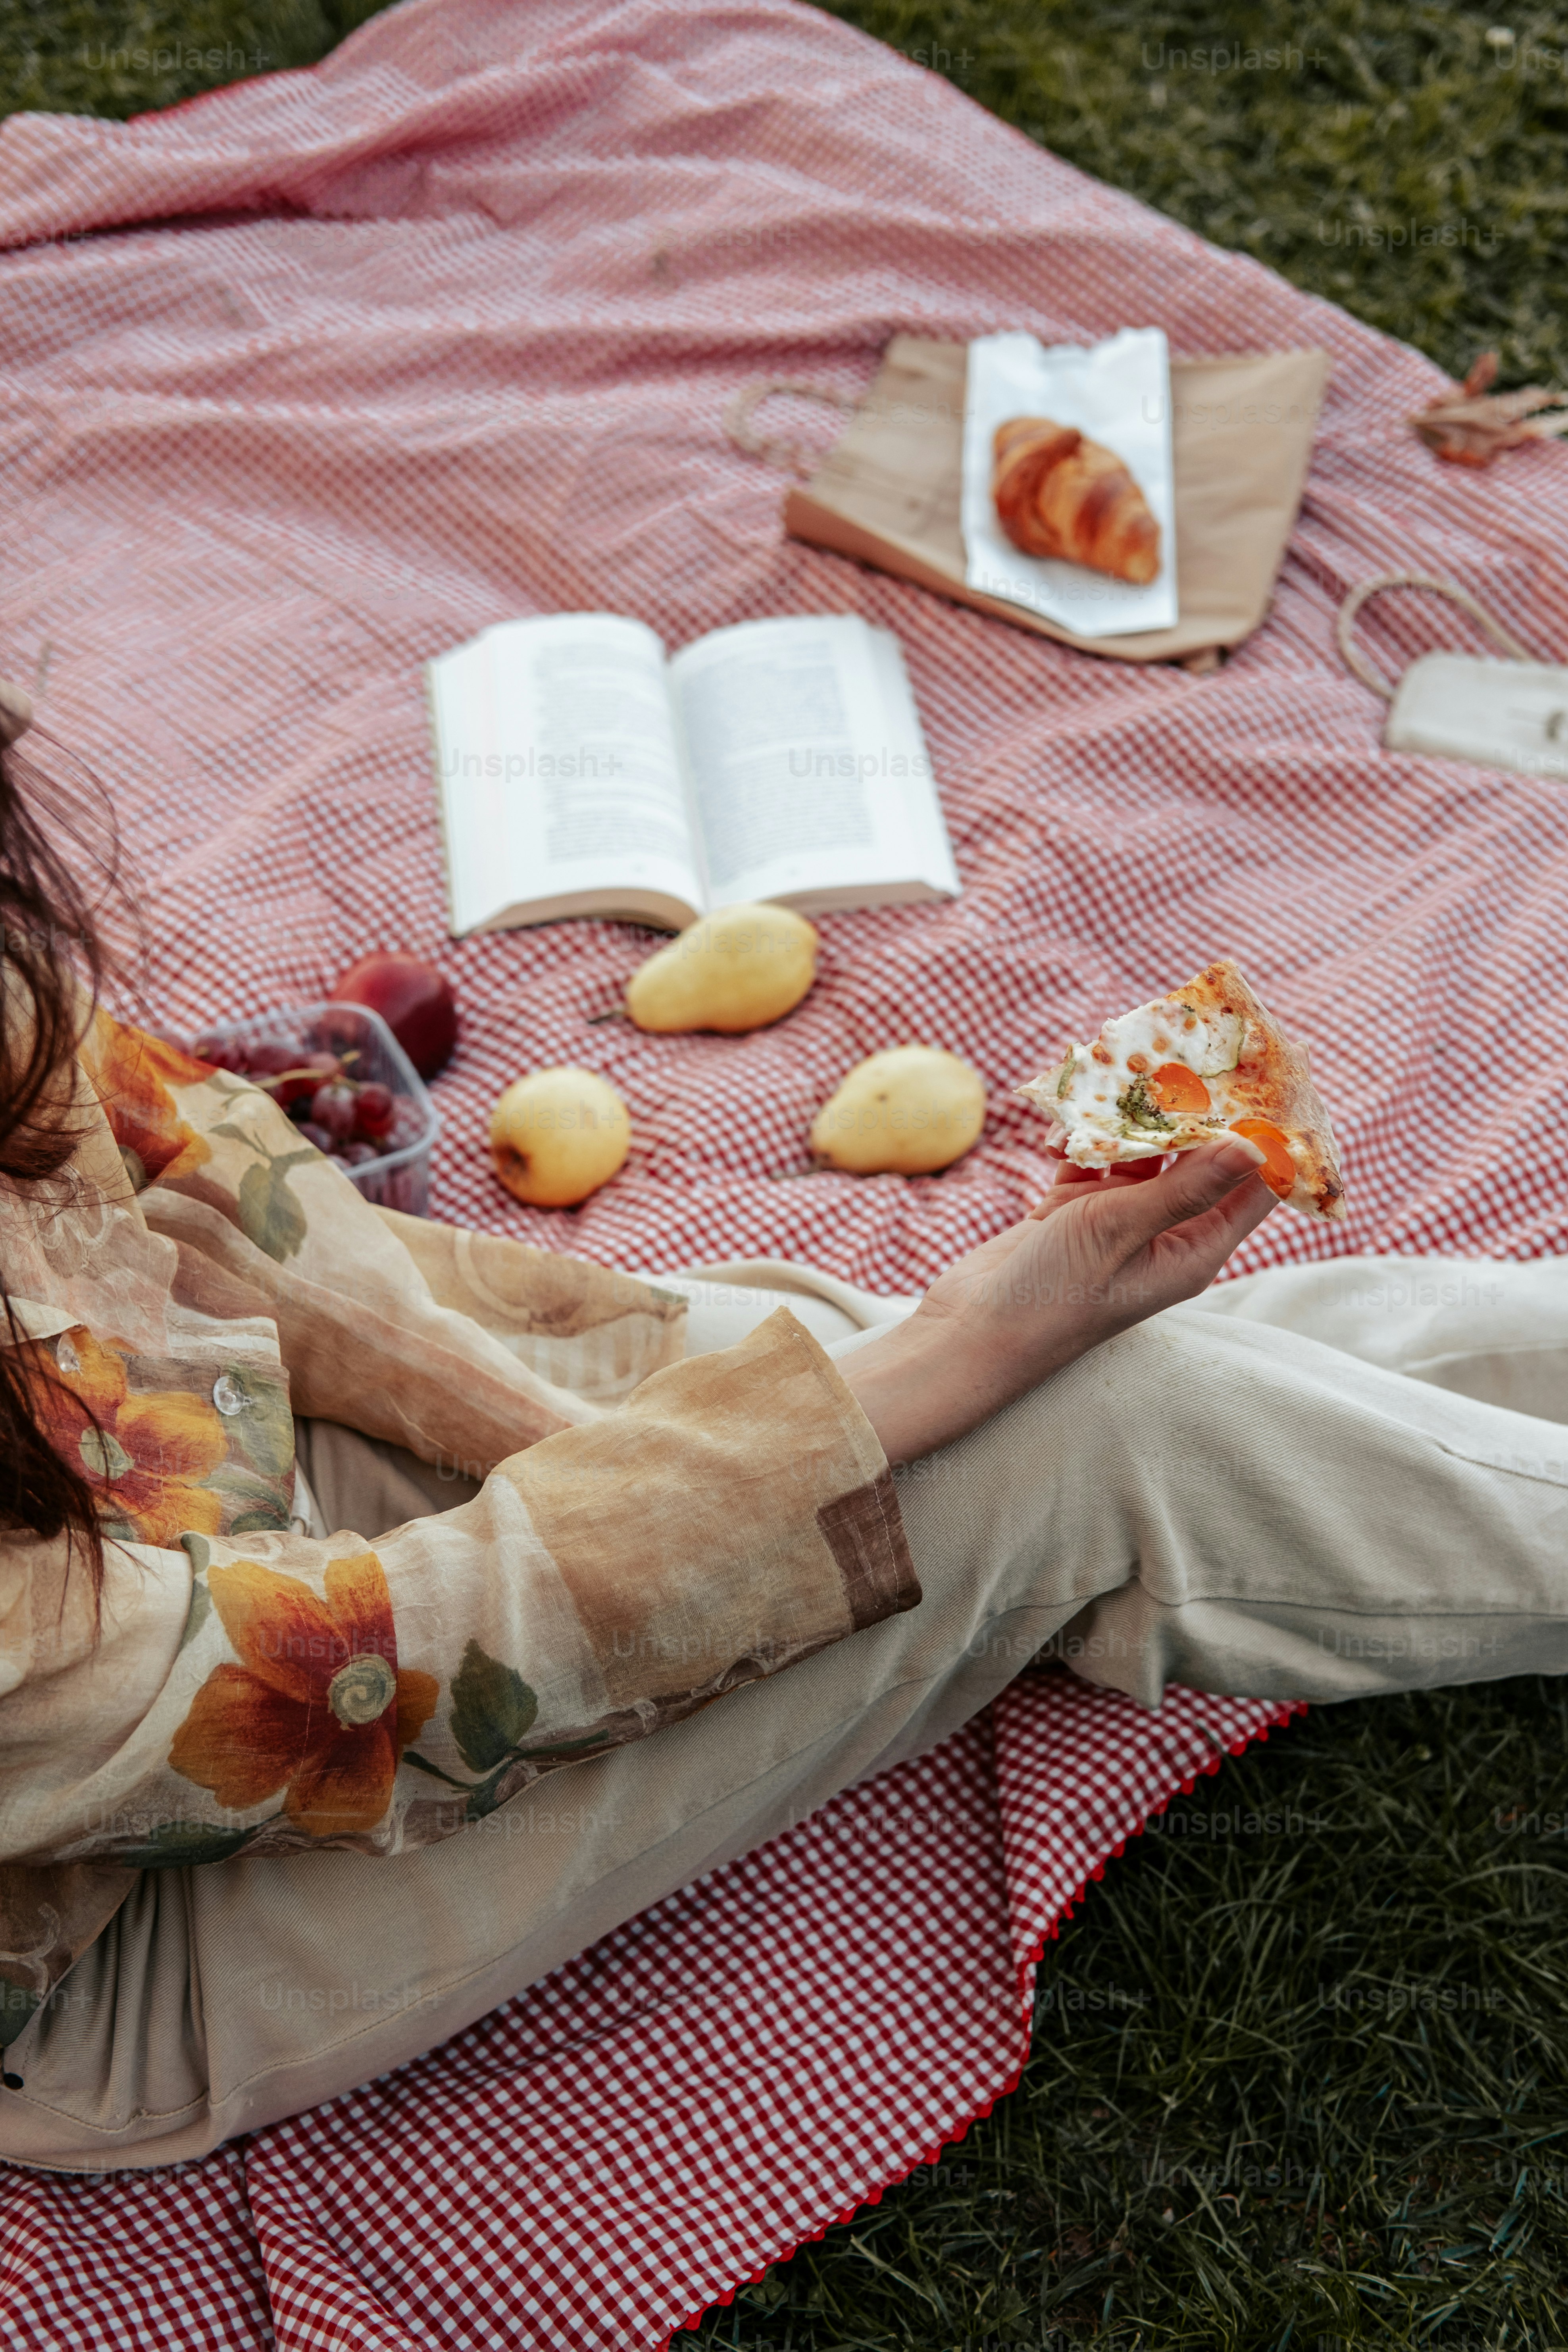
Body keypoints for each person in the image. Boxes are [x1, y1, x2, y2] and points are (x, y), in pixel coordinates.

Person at [0, 688, 1564, 2173]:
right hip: (132, 1909)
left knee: (1033, 1371)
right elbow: (362, 1682)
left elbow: (195, 1170)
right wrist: (921, 1367)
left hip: (194, 1465)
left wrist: (601, 1431)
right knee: (1074, 1433)